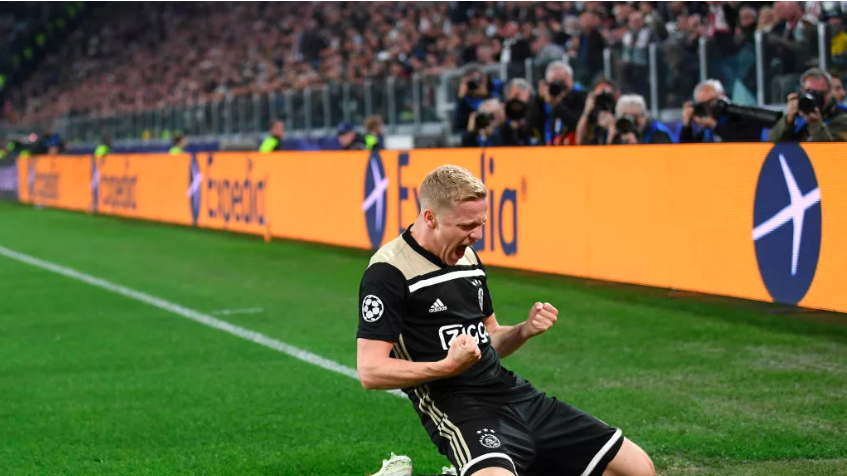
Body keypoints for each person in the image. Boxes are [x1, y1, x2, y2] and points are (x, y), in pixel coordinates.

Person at [356, 165, 656, 476]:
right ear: (430, 218)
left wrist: (524, 330)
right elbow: (370, 370)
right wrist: (447, 366)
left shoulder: (467, 258)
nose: (477, 235)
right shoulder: (389, 272)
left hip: (513, 393)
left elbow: (491, 339)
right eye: (466, 225)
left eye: (481, 224)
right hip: (458, 406)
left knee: (638, 470)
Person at [768, 68, 847, 142]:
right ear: (802, 91)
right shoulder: (798, 116)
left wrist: (815, 124)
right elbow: (771, 144)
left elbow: (833, 150)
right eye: (809, 92)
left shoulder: (841, 119)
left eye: (820, 93)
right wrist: (788, 120)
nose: (814, 98)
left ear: (829, 93)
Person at [679, 79, 765, 143]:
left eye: (710, 102)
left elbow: (744, 141)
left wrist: (715, 126)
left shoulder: (740, 116)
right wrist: (687, 126)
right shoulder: (703, 131)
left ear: (723, 97)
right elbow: (686, 151)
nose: (707, 108)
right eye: (702, 105)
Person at [606, 95, 675, 144]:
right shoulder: (615, 132)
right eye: (625, 116)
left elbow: (663, 158)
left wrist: (637, 147)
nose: (630, 122)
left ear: (644, 116)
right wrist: (610, 142)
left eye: (635, 116)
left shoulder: (658, 133)